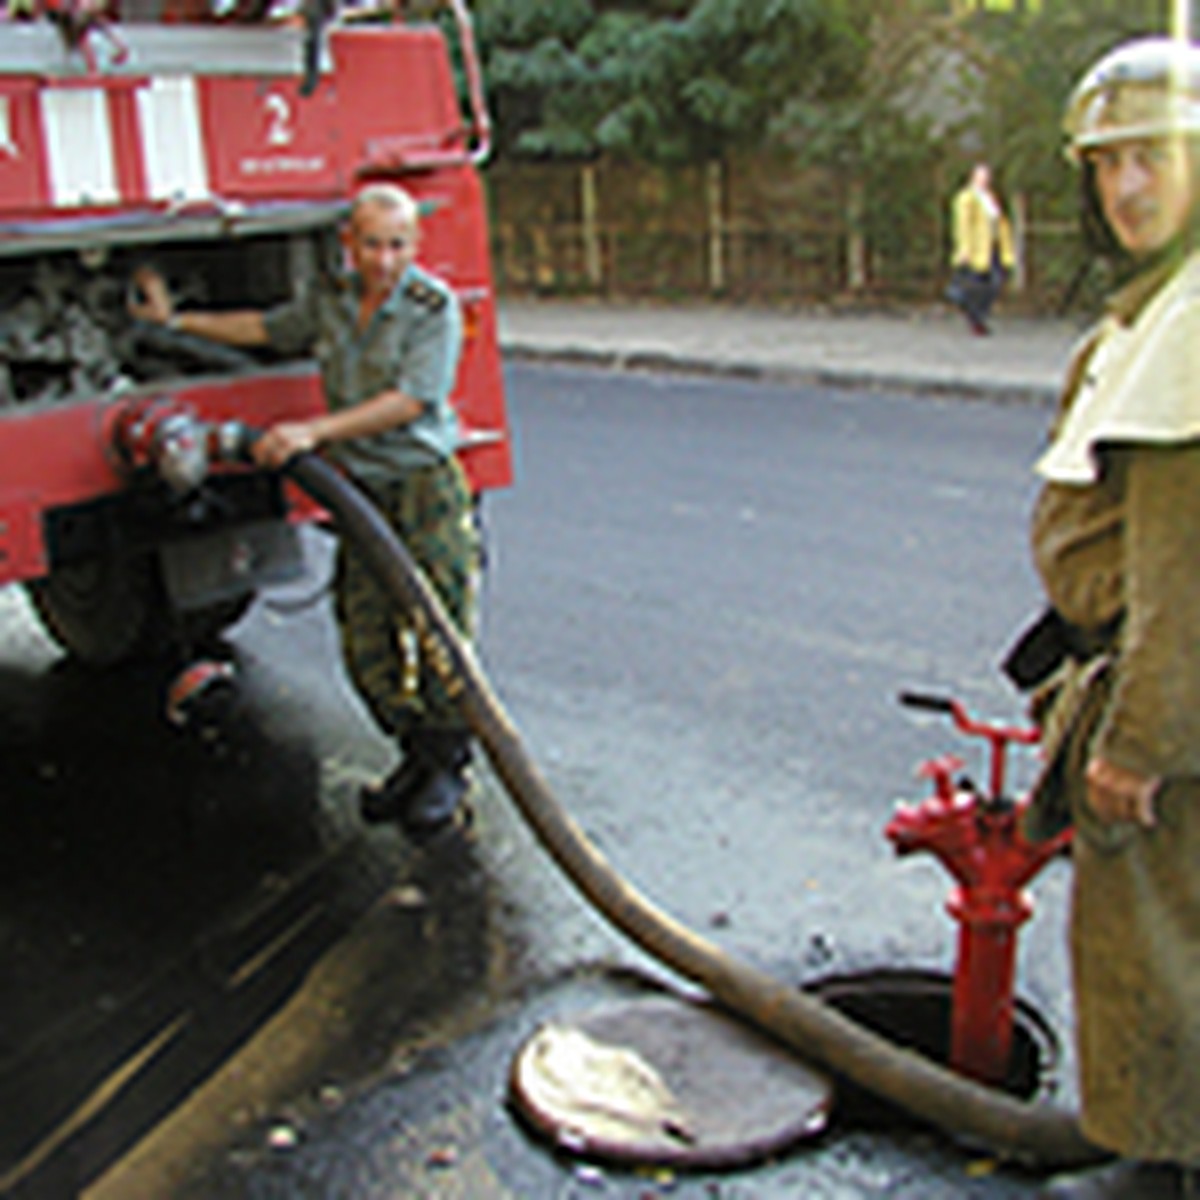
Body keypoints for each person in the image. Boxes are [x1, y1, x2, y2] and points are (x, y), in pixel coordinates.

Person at [1002, 37, 1200, 1200]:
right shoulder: (1166, 302)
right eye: (1108, 162)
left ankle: (1163, 1164)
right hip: (1146, 680)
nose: (1128, 186)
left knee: (1151, 942)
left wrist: (1139, 741)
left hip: (1158, 700)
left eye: (1157, 159)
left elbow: (1186, 569)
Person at [130, 183, 479, 840]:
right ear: (349, 243)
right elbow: (264, 328)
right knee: (365, 640)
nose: (383, 259)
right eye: (372, 243)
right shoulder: (333, 300)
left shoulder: (432, 309)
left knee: (440, 629)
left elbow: (410, 400)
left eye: (397, 244)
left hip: (423, 486)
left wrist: (313, 432)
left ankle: (446, 770)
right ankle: (413, 754)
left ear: (415, 244)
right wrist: (175, 322)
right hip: (365, 492)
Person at [946, 162, 1016, 335]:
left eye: (987, 176)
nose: (985, 179)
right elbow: (962, 224)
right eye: (981, 176)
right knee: (976, 285)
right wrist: (964, 248)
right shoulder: (966, 198)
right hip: (976, 249)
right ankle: (976, 318)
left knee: (994, 283)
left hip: (994, 246)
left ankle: (977, 315)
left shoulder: (990, 197)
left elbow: (999, 222)